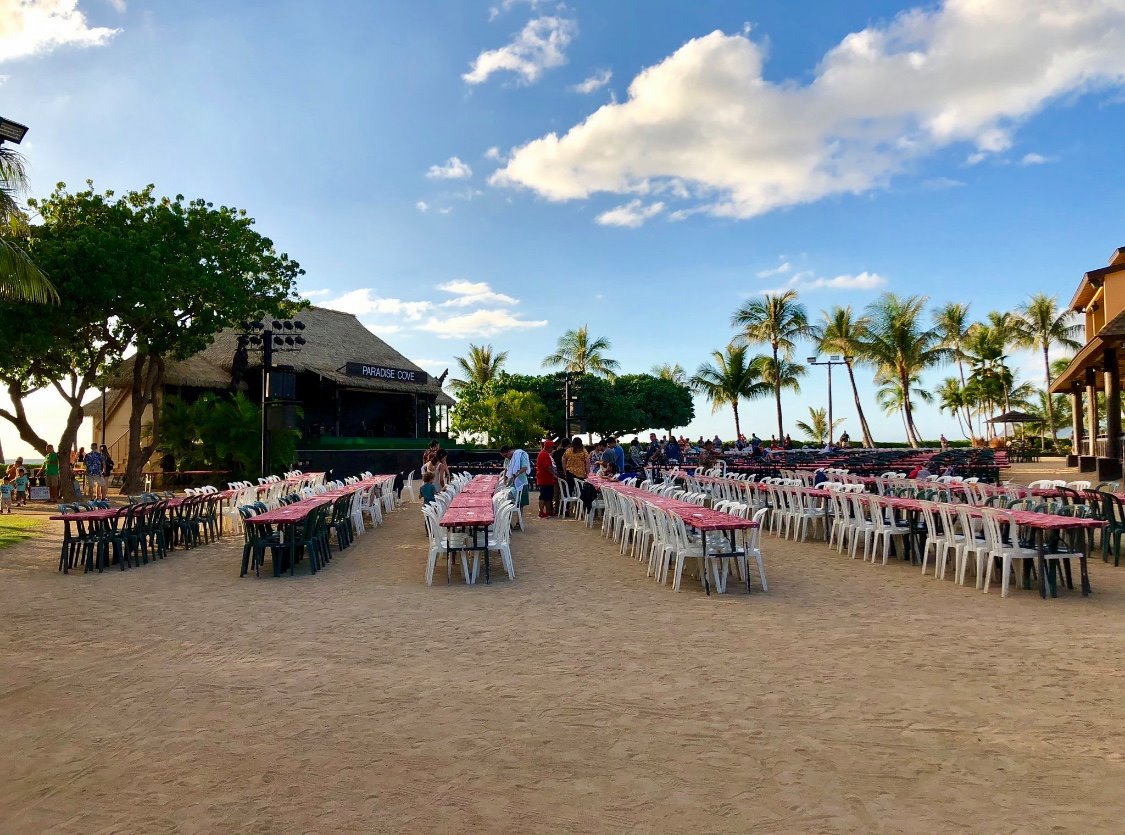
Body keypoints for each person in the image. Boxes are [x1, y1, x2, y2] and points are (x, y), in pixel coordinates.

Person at [500, 444, 531, 511]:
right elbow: (506, 469)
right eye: (503, 456)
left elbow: (525, 467)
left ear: (509, 451)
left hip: (521, 482)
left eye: (505, 455)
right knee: (508, 500)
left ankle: (519, 520)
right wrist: (504, 481)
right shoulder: (507, 459)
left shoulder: (520, 455)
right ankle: (509, 517)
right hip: (512, 482)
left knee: (521, 503)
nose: (505, 457)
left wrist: (517, 473)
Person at [535, 439, 558, 518]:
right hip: (545, 478)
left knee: (548, 496)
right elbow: (547, 467)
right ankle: (541, 512)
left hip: (546, 478)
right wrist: (554, 474)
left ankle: (548, 511)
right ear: (548, 447)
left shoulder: (544, 454)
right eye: (552, 447)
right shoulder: (544, 454)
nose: (553, 449)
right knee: (544, 496)